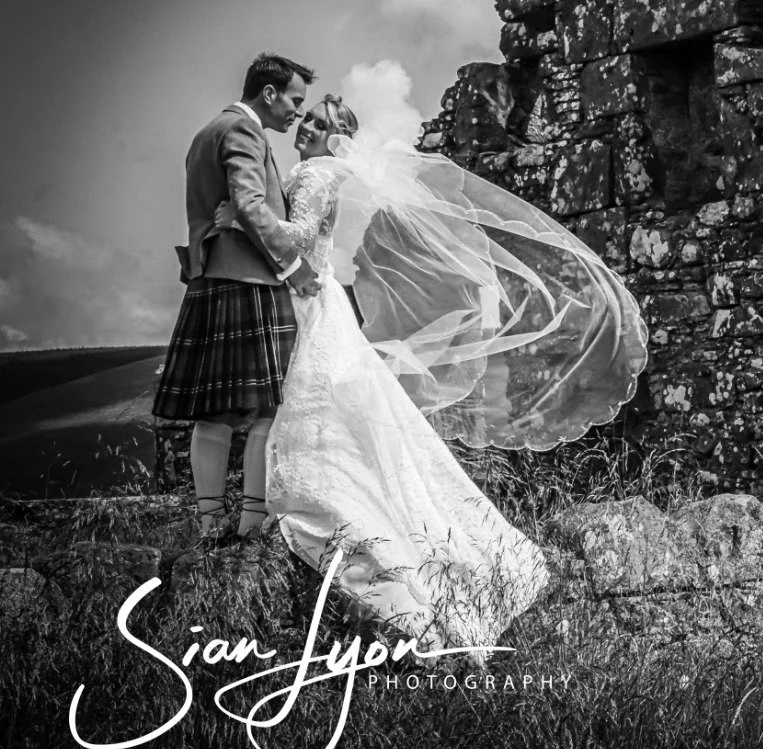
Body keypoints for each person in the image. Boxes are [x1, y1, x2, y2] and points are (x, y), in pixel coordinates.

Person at [219, 94, 648, 654]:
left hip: (308, 297)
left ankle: (312, 511)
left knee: (313, 399)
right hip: (320, 299)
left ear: (338, 136)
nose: (308, 129)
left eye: (321, 124)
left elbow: (295, 239)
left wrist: (238, 221)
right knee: (346, 409)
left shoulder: (313, 172)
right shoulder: (331, 169)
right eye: (306, 120)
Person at [152, 53, 322, 542]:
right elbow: (249, 203)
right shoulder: (244, 131)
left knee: (215, 413)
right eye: (295, 99)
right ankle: (250, 525)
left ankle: (209, 527)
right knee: (268, 410)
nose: (296, 111)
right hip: (248, 282)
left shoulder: (206, 131)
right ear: (268, 94)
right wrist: (292, 266)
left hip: (212, 281)